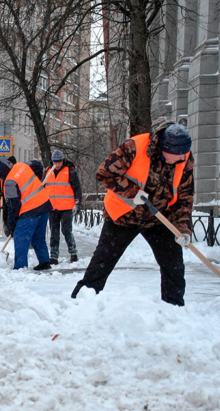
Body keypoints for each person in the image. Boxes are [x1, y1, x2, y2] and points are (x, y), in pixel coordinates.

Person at [70, 119, 194, 306]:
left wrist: (183, 228)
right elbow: (103, 173)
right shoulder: (134, 147)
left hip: (159, 218)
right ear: (164, 147)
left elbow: (185, 196)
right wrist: (133, 193)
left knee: (173, 262)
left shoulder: (184, 158)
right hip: (123, 216)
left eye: (184, 154)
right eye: (177, 155)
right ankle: (81, 301)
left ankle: (173, 308)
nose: (181, 158)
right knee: (103, 260)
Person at [0, 157, 53, 271]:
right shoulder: (21, 165)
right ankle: (44, 262)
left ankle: (20, 267)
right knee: (38, 237)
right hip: (44, 203)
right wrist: (37, 180)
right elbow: (37, 165)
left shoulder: (9, 182)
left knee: (20, 237)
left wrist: (12, 226)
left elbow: (13, 207)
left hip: (31, 210)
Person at [44, 150, 82, 264]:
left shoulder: (70, 171)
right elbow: (43, 189)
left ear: (63, 161)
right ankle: (54, 256)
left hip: (66, 207)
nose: (57, 164)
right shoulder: (46, 172)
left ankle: (73, 252)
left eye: (59, 162)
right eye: (55, 162)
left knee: (66, 230)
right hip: (52, 208)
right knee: (54, 232)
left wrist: (77, 203)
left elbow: (77, 189)